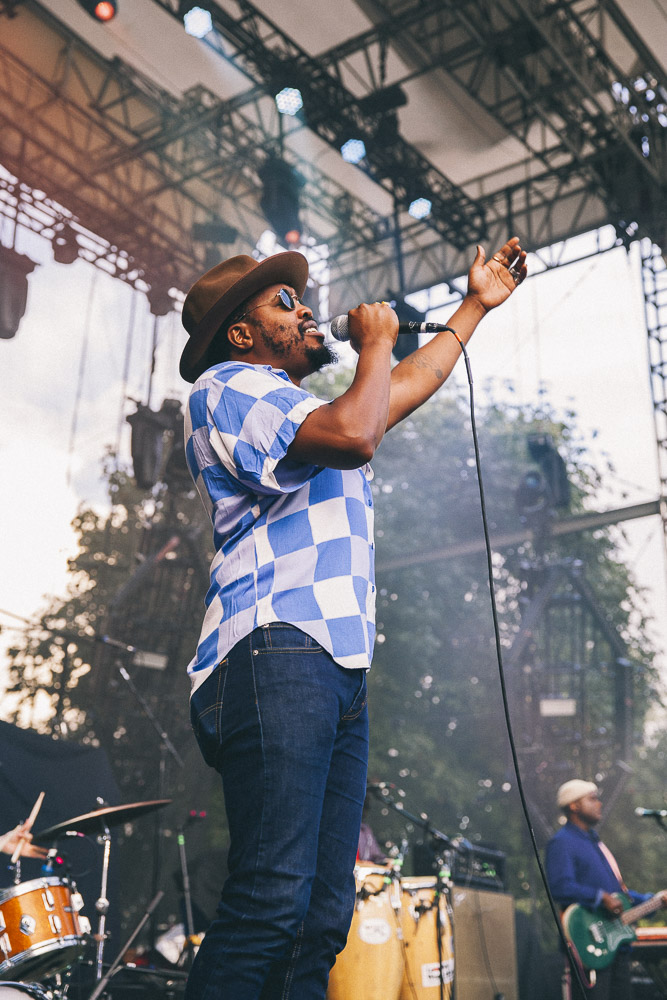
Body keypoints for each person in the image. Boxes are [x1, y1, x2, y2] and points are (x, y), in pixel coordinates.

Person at [179, 237, 527, 999]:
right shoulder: (227, 386)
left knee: (320, 917)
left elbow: (393, 391)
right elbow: (356, 433)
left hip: (333, 664)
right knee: (271, 897)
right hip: (276, 648)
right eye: (282, 303)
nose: (304, 309)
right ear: (241, 333)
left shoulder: (308, 407)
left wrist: (472, 306)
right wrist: (372, 341)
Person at [546, 779, 660, 1000]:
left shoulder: (596, 844)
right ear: (574, 806)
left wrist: (653, 900)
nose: (599, 804)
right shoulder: (562, 842)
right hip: (589, 945)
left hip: (616, 946)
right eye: (592, 799)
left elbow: (620, 896)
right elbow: (560, 886)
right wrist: (600, 897)